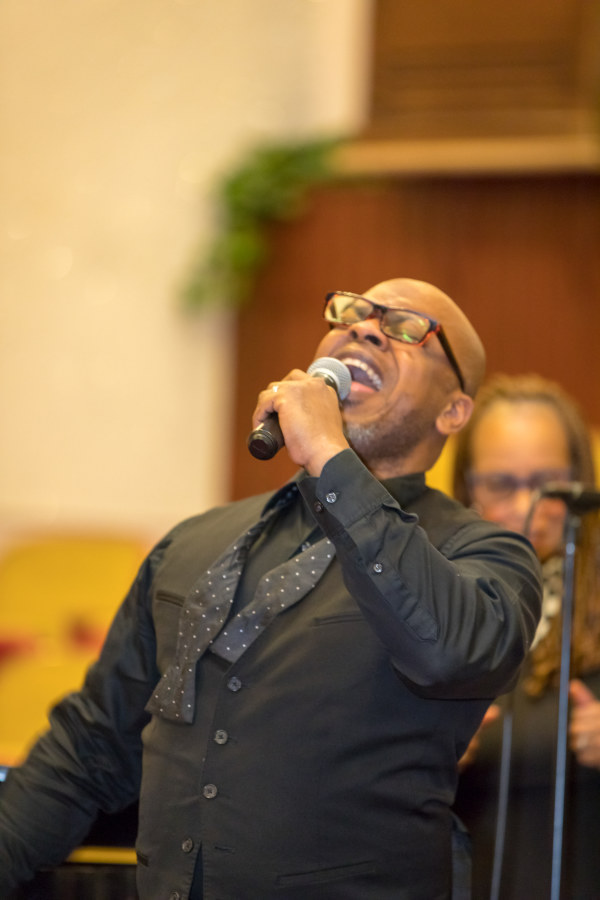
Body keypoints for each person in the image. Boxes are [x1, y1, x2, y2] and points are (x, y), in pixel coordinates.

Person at [0, 279, 542, 899]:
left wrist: (329, 455)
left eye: (406, 328)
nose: (364, 328)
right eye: (353, 314)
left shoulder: (482, 554)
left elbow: (447, 650)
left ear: (453, 411)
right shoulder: (193, 542)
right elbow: (91, 748)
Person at [452, 373, 600, 899]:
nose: (526, 506)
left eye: (547, 483)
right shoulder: (431, 603)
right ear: (467, 489)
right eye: (500, 484)